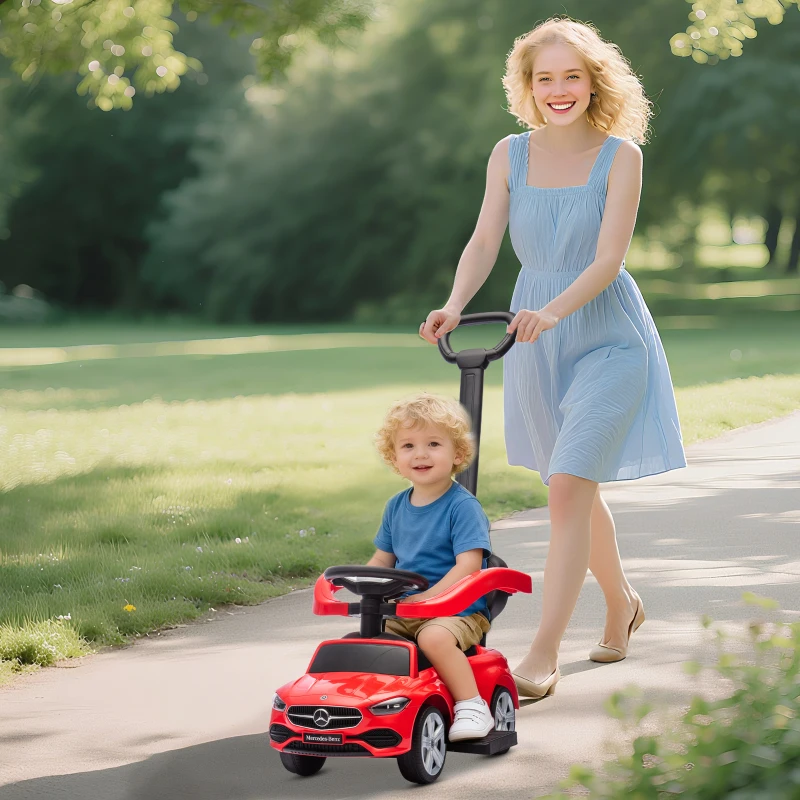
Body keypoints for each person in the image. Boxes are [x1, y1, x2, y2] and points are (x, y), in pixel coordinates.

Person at [419, 17, 687, 700]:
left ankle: (542, 654)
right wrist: (453, 302)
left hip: (604, 333)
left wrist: (557, 310)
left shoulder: (620, 155)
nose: (559, 89)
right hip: (534, 335)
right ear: (528, 86)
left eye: (572, 75)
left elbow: (608, 260)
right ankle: (621, 602)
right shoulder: (509, 153)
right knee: (570, 486)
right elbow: (484, 240)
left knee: (570, 483)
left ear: (594, 80)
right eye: (546, 78)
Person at [367, 393, 496, 741]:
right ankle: (383, 707)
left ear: (458, 454)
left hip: (459, 611)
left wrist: (429, 599)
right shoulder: (395, 506)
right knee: (368, 643)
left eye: (433, 443)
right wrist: (359, 582)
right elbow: (383, 559)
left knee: (433, 637)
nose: (420, 454)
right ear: (394, 458)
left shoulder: (463, 507)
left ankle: (472, 706)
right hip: (406, 611)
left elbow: (469, 565)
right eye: (408, 445)